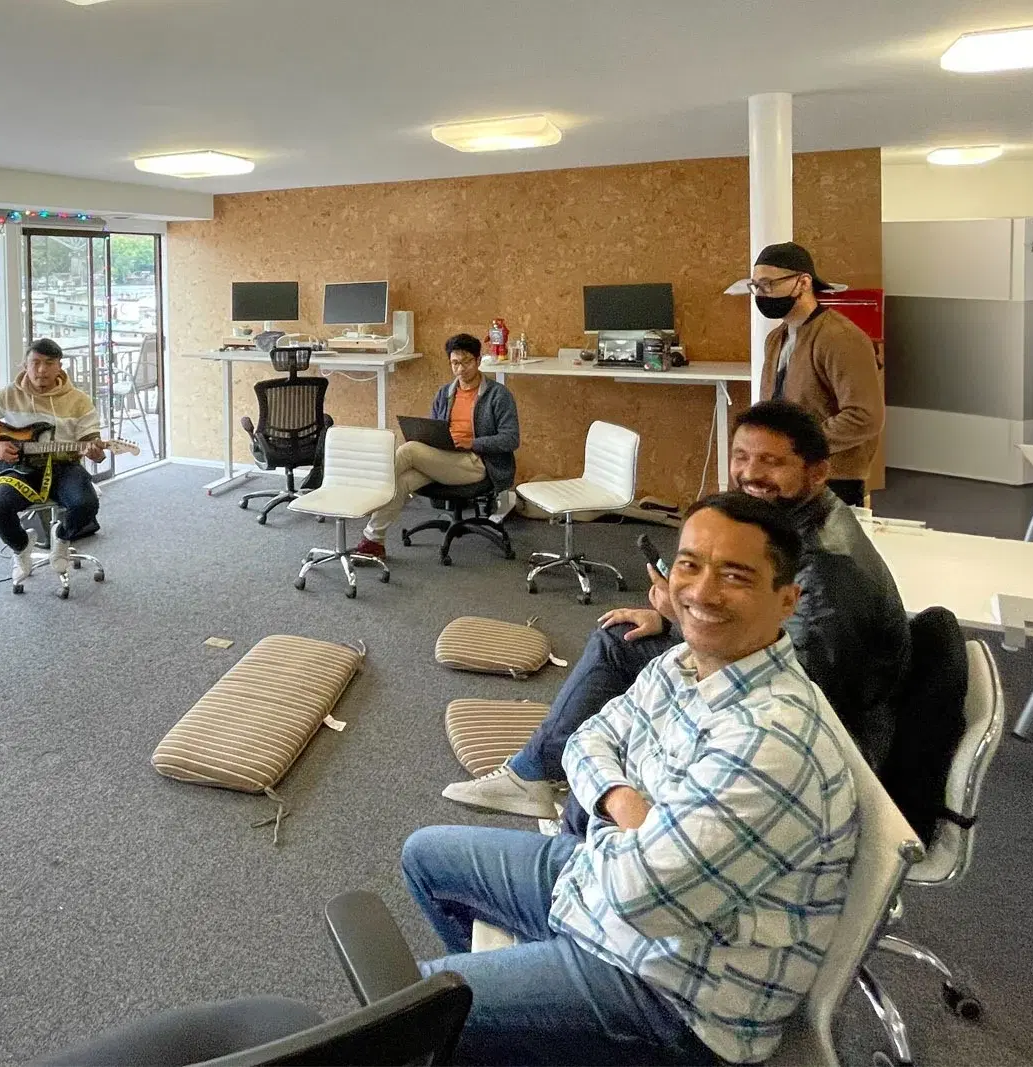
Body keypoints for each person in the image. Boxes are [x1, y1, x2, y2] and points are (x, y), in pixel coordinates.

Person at [403, 493, 859, 1066]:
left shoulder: (772, 741)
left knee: (413, 1009)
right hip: (608, 893)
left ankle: (515, 1031)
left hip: (677, 997)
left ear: (787, 601)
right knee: (425, 856)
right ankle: (518, 1036)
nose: (700, 592)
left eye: (735, 576)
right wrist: (628, 804)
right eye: (690, 565)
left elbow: (640, 898)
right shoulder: (685, 661)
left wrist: (616, 817)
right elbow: (588, 739)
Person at [444, 399, 907, 828]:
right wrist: (670, 620)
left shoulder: (826, 569)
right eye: (741, 456)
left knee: (629, 651)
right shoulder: (803, 525)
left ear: (818, 472)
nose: (750, 474)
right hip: (793, 693)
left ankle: (554, 782)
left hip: (820, 745)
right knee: (623, 634)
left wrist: (685, 622)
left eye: (772, 461)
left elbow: (791, 683)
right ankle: (542, 773)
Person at [354, 333, 520, 559]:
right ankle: (373, 541)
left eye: (467, 362)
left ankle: (365, 491)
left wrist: (473, 442)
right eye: (455, 363)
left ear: (478, 360)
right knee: (402, 482)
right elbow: (435, 428)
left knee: (410, 450)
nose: (461, 369)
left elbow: (511, 439)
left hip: (478, 463)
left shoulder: (497, 395)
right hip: (445, 459)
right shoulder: (445, 393)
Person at [744, 241, 883, 507]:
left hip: (831, 480)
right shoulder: (776, 338)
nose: (760, 294)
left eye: (768, 284)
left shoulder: (841, 338)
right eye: (756, 286)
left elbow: (865, 416)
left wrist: (797, 445)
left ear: (803, 283)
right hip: (786, 475)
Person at [0, 338, 105, 584]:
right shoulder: (9, 394)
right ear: (25, 365)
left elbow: (90, 437)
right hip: (20, 469)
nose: (41, 370)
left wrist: (95, 450)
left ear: (60, 366)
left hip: (64, 467)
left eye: (49, 363)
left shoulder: (79, 400)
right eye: (36, 363)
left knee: (86, 505)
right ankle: (21, 548)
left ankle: (61, 539)